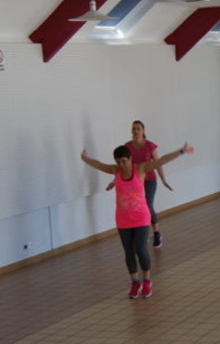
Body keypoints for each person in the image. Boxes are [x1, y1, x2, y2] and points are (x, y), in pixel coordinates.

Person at [81, 142, 193, 299]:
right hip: (123, 220)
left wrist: (181, 151)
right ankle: (135, 282)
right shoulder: (116, 171)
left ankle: (147, 280)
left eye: (124, 161)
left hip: (141, 218)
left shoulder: (140, 169)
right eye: (118, 162)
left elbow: (161, 160)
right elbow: (99, 165)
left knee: (140, 249)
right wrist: (84, 158)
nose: (122, 165)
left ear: (130, 159)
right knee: (129, 252)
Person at [123, 120, 173, 249]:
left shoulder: (150, 146)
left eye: (138, 128)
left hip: (149, 180)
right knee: (137, 207)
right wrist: (115, 181)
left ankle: (157, 234)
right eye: (133, 129)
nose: (135, 131)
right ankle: (142, 234)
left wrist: (164, 180)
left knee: (147, 205)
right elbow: (123, 166)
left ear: (143, 130)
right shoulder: (127, 147)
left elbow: (158, 163)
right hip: (135, 182)